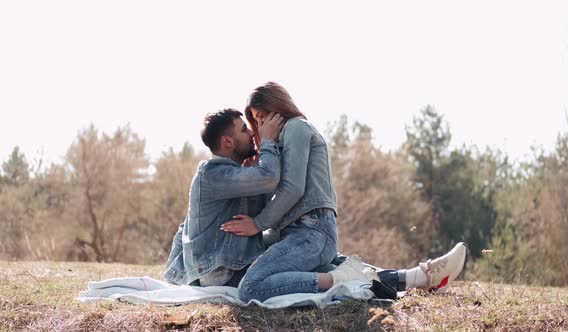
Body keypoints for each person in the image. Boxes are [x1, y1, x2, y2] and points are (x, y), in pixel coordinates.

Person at [220, 82, 467, 302]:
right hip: (297, 233)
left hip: (310, 230)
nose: (261, 125)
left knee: (250, 288)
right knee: (347, 270)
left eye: (262, 116)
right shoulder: (280, 142)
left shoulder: (295, 128)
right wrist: (263, 162)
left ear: (278, 107)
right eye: (257, 120)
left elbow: (292, 189)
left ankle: (342, 282)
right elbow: (280, 194)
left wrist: (258, 224)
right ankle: (422, 276)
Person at [164, 109, 285, 287]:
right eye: (244, 130)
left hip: (235, 264)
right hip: (222, 274)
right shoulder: (212, 174)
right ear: (227, 141)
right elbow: (269, 177)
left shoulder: (232, 175)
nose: (252, 133)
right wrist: (267, 142)